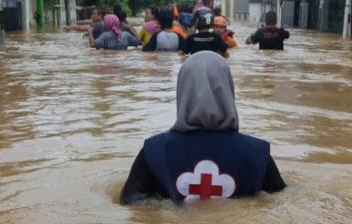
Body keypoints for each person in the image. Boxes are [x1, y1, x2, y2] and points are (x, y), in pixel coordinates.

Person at [120, 51, 286, 204]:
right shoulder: (257, 152)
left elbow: (132, 204)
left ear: (183, 90)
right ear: (228, 90)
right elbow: (281, 200)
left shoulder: (154, 150)